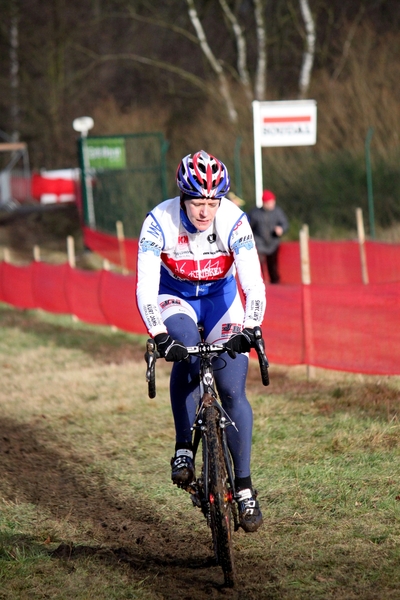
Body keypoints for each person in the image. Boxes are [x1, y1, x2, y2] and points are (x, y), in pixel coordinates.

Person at [136, 150, 266, 533]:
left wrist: (251, 326)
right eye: (197, 202)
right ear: (182, 196)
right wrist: (159, 334)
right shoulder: (158, 221)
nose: (205, 211)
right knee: (187, 348)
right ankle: (182, 447)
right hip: (174, 298)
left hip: (221, 301)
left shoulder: (234, 221)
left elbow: (253, 283)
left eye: (212, 201)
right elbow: (145, 286)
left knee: (231, 388)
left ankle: (243, 487)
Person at [248, 189, 289, 284]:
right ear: (264, 203)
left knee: (273, 265)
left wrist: (281, 229)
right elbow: (248, 227)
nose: (272, 204)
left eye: (273, 202)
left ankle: (275, 282)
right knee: (258, 263)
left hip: (273, 243)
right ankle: (259, 281)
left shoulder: (278, 212)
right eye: (269, 202)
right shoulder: (255, 213)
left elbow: (285, 224)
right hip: (259, 242)